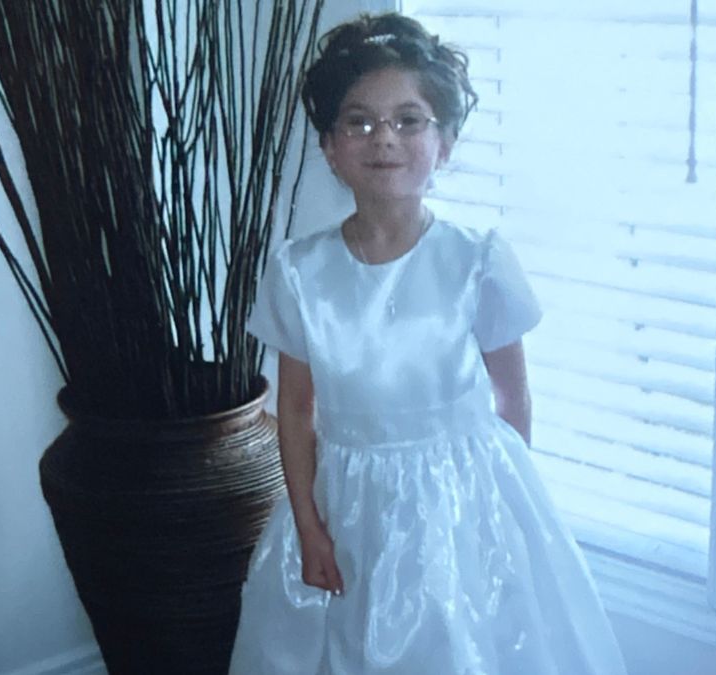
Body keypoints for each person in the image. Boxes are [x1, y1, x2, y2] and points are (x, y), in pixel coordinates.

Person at [228, 12, 628, 675]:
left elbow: (511, 393)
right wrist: (307, 522)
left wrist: (500, 512)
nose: (383, 137)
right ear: (330, 146)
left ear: (443, 143)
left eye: (408, 120)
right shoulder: (298, 273)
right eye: (358, 121)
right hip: (350, 502)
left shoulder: (478, 260)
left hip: (463, 499)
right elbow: (295, 410)